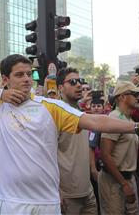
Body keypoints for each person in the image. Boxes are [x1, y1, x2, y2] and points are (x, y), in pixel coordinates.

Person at [0, 54, 139, 214]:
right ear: (5, 79)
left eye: (29, 74)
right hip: (10, 202)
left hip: (47, 202)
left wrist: (137, 127)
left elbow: (94, 120)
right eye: (19, 75)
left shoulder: (50, 106)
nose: (26, 79)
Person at [98, 81, 139, 215]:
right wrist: (124, 184)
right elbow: (105, 155)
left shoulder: (131, 121)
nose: (138, 97)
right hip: (113, 180)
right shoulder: (114, 118)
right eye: (134, 94)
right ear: (122, 97)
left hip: (129, 178)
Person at [56, 67, 97, 214]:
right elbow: (45, 156)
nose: (79, 85)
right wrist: (57, 191)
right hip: (67, 196)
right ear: (60, 87)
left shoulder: (80, 112)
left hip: (88, 192)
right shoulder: (55, 114)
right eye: (73, 82)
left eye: (80, 81)